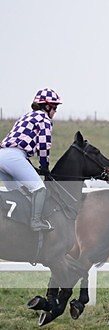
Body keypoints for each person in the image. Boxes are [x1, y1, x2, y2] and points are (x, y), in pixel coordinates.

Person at [0, 88, 63, 231]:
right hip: (13, 157)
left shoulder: (26, 116)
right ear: (47, 106)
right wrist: (44, 166)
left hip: (2, 156)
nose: (55, 111)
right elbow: (43, 145)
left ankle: (17, 226)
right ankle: (36, 222)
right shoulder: (45, 119)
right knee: (39, 189)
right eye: (55, 107)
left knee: (19, 194)